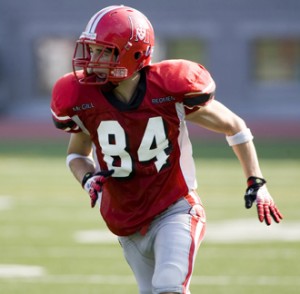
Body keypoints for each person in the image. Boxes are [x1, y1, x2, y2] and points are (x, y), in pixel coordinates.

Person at [51, 5, 283, 294]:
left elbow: (234, 126)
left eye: (103, 51)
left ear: (133, 53)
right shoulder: (83, 99)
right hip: (126, 218)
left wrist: (256, 182)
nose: (92, 60)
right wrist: (88, 178)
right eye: (92, 50)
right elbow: (76, 155)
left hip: (175, 207)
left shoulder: (168, 92)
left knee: (169, 287)